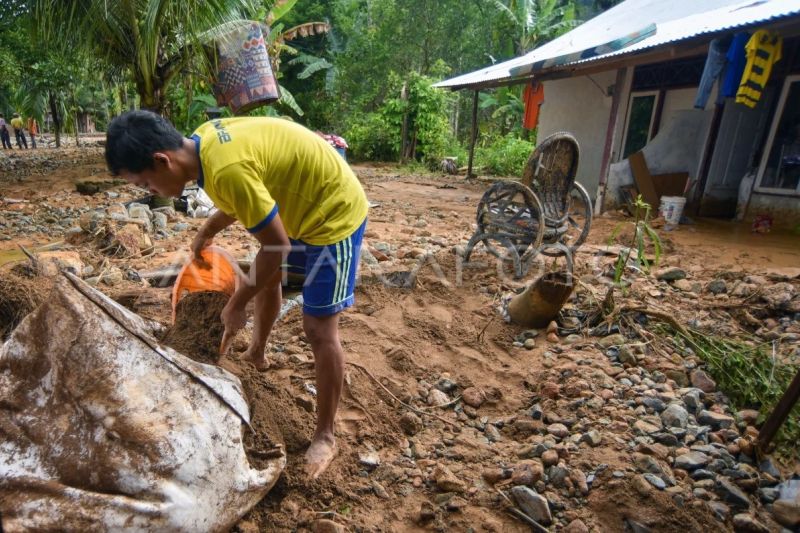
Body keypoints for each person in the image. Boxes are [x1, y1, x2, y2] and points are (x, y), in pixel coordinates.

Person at [105, 110, 369, 479]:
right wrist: (208, 230)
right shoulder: (202, 143)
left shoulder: (225, 169)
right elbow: (242, 195)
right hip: (297, 202)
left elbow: (275, 246)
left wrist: (237, 304)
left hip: (332, 213)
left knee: (319, 328)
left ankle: (325, 435)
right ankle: (257, 353)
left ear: (162, 160)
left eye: (145, 183)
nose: (150, 192)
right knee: (265, 276)